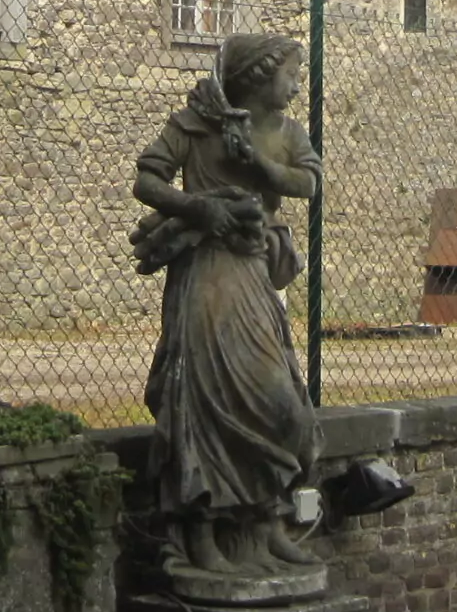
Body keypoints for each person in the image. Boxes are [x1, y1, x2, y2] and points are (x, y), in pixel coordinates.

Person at [132, 33, 321, 581]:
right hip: (206, 274)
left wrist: (260, 168)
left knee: (282, 403)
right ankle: (202, 532)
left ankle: (265, 525)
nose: (294, 84)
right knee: (205, 401)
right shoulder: (196, 124)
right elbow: (148, 178)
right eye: (288, 74)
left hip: (254, 275)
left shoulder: (284, 133)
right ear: (261, 77)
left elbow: (309, 180)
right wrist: (197, 208)